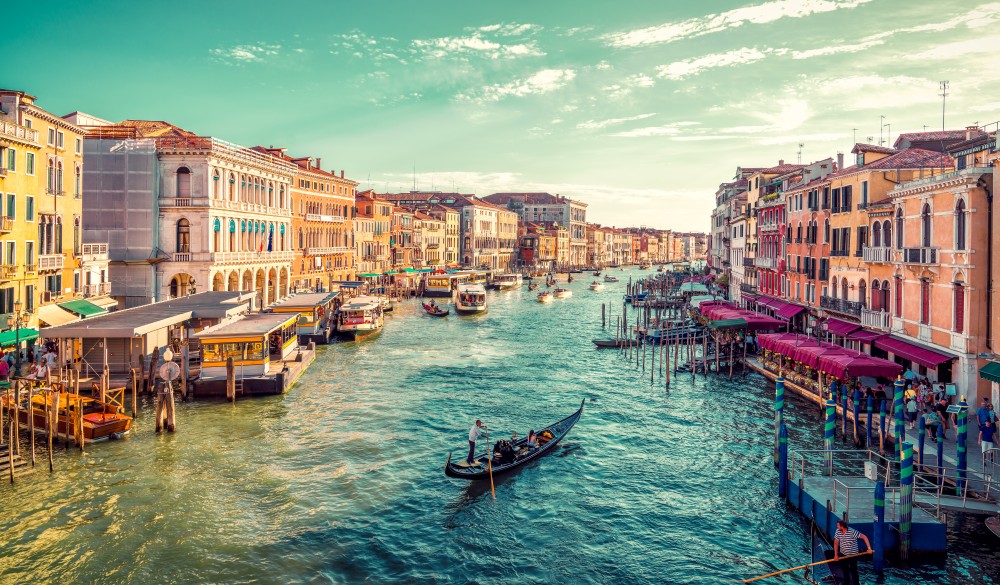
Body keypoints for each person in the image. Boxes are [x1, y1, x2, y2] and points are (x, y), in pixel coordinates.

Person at [833, 518, 871, 585]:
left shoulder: (852, 532)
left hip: (853, 555)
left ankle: (856, 584)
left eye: (838, 526)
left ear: (842, 526)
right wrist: (836, 555)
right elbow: (836, 543)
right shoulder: (838, 531)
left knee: (854, 570)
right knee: (845, 570)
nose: (837, 527)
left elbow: (864, 537)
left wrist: (869, 548)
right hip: (843, 554)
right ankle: (846, 583)